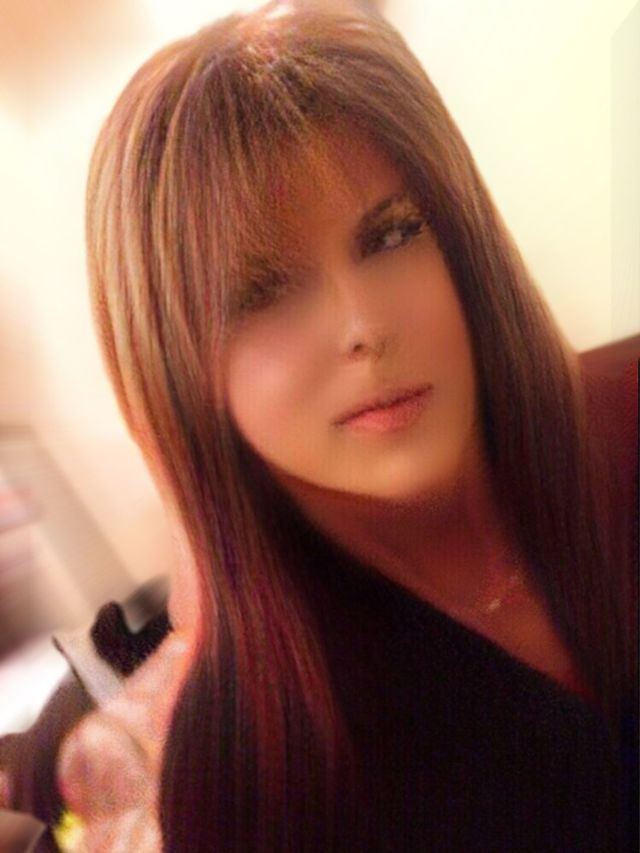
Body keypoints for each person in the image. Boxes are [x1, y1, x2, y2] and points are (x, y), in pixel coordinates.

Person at [1, 0, 637, 849]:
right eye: (264, 292)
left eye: (392, 235)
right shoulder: (249, 779)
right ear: (180, 372)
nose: (362, 325)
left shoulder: (622, 431)